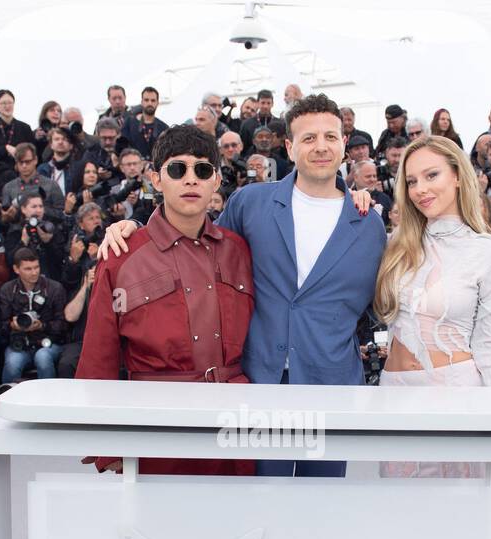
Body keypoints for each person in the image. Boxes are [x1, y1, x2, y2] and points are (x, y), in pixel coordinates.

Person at [100, 95, 384, 478]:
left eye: (330, 137)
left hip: (330, 384)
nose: (320, 146)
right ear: (289, 147)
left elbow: (372, 304)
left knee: (323, 509)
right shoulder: (251, 203)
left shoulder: (368, 223)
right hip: (257, 384)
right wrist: (135, 229)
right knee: (261, 506)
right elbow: (200, 244)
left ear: (344, 144)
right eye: (308, 137)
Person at [76, 124, 255, 476]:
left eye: (202, 170)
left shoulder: (239, 250)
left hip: (234, 425)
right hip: (155, 427)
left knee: (240, 527)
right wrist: (105, 443)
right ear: (156, 179)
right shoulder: (121, 256)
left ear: (216, 181)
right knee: (155, 529)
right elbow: (99, 354)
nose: (191, 180)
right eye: (178, 169)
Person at [373, 136, 491, 472]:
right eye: (411, 181)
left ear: (458, 176)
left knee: (456, 511)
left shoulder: (489, 253)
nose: (419, 189)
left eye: (431, 175)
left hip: (454, 394)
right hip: (393, 394)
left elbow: (490, 344)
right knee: (395, 511)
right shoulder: (399, 244)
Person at [0, 247, 68, 384]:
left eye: (36, 267)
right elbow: (1, 325)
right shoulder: (7, 290)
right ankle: (6, 401)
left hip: (49, 342)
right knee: (12, 363)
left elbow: (64, 324)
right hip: (19, 344)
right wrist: (13, 325)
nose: (34, 272)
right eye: (28, 269)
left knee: (43, 358)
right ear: (16, 269)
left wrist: (42, 326)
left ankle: (48, 401)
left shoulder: (55, 288)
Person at [0, 89, 37, 186]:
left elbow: (33, 150)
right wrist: (5, 148)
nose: (7, 106)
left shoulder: (25, 127)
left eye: (10, 103)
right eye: (3, 103)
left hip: (22, 174)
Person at [120, 86, 169, 158]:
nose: (150, 103)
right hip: (133, 166)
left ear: (157, 103)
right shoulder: (129, 123)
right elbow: (121, 147)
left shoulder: (164, 128)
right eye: (146, 100)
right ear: (141, 102)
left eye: (153, 100)